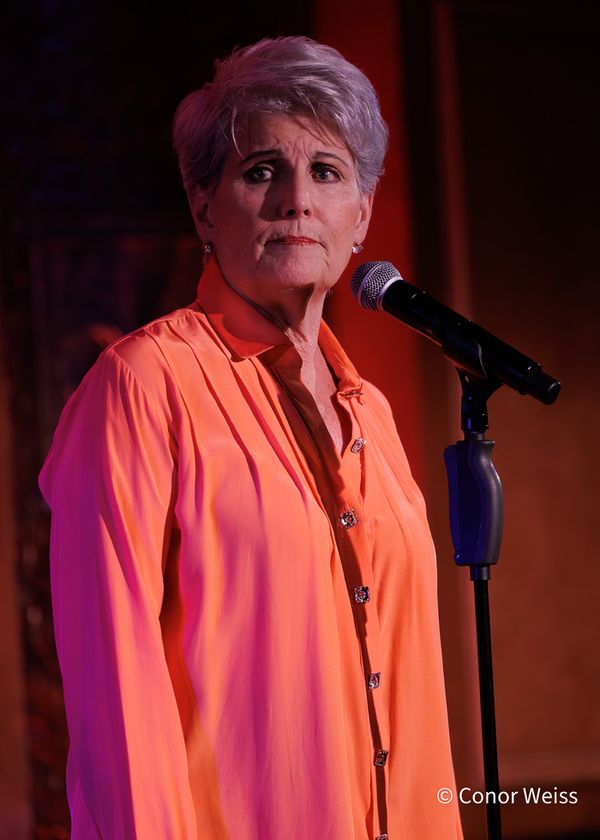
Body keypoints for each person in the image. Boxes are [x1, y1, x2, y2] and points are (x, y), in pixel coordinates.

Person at [40, 36, 463, 840]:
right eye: (262, 170)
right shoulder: (141, 386)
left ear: (362, 214)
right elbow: (116, 699)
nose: (297, 201)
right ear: (204, 204)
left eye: (328, 173)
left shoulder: (367, 409)